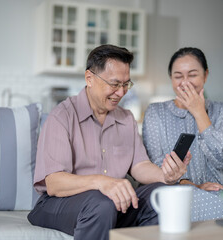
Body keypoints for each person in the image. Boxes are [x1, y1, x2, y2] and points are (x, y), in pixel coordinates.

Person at [27, 44, 191, 240]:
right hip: (58, 203)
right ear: (90, 78)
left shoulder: (126, 118)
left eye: (126, 84)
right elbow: (54, 183)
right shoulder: (62, 116)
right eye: (114, 84)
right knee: (101, 203)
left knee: (162, 193)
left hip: (110, 205)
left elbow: (139, 165)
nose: (121, 93)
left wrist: (167, 177)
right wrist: (102, 182)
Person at [142, 47, 223, 221]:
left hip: (216, 191)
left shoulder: (219, 110)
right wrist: (193, 185)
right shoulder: (155, 112)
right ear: (171, 78)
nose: (185, 82)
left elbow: (222, 158)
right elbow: (155, 164)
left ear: (205, 75)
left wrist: (199, 112)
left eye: (192, 75)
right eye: (178, 76)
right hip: (176, 191)